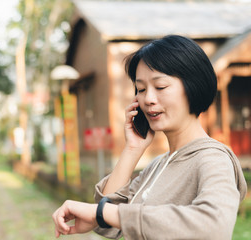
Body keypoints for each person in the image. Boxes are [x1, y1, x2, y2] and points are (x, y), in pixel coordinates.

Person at [52, 35, 248, 239]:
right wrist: (132, 150)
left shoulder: (212, 159)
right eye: (142, 89)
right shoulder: (157, 166)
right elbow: (108, 224)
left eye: (160, 87)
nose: (148, 99)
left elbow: (213, 226)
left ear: (194, 86)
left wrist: (102, 213)